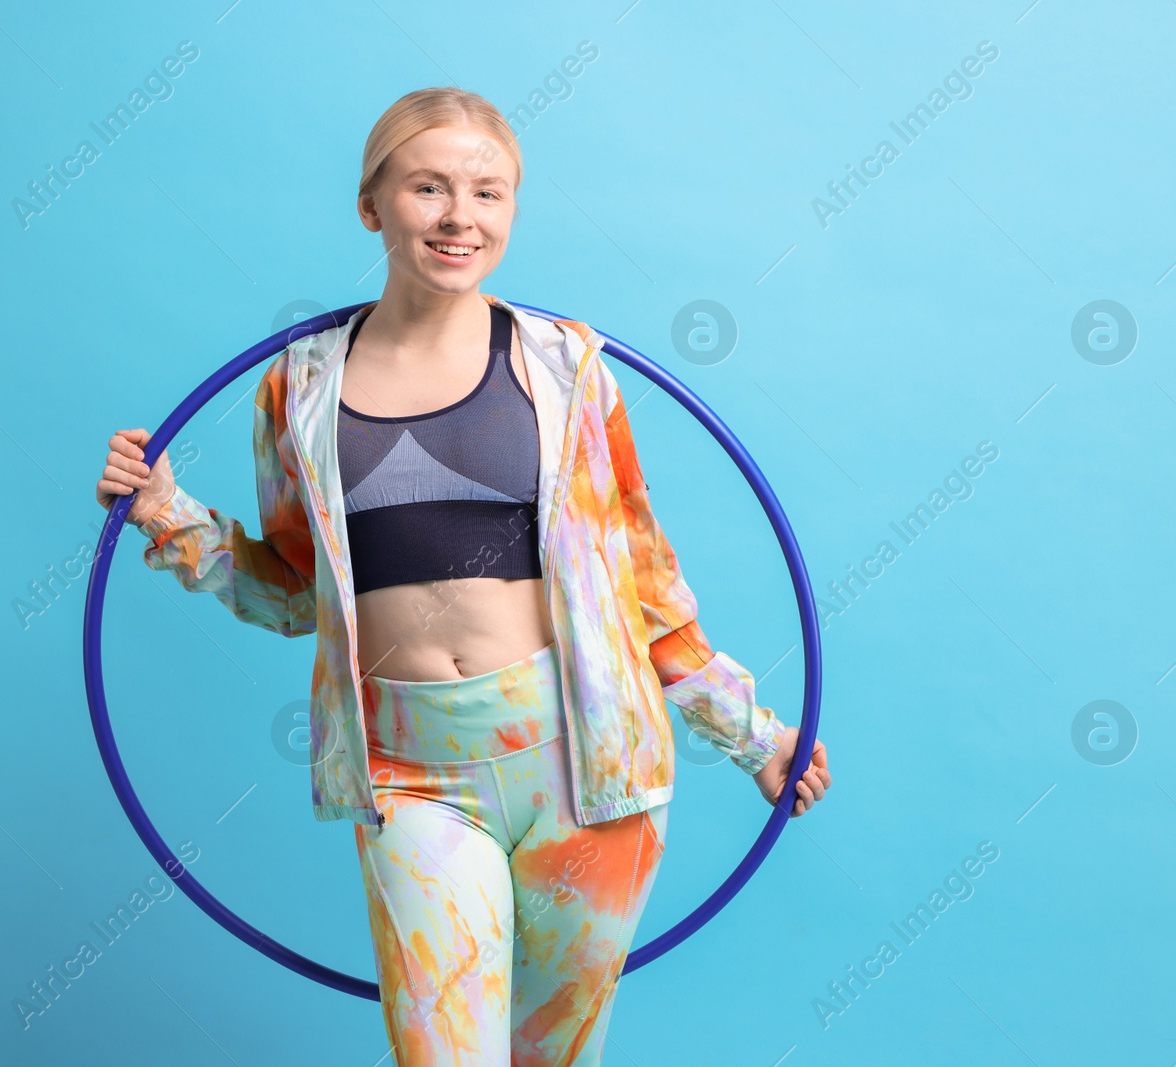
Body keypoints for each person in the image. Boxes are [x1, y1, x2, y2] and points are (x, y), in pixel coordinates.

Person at [96, 86, 831, 1066]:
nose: (459, 216)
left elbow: (642, 581)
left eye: (487, 193)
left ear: (512, 208)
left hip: (588, 769)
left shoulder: (567, 367)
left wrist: (754, 737)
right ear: (373, 205)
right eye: (428, 187)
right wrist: (170, 520)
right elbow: (291, 592)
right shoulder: (298, 386)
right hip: (411, 772)